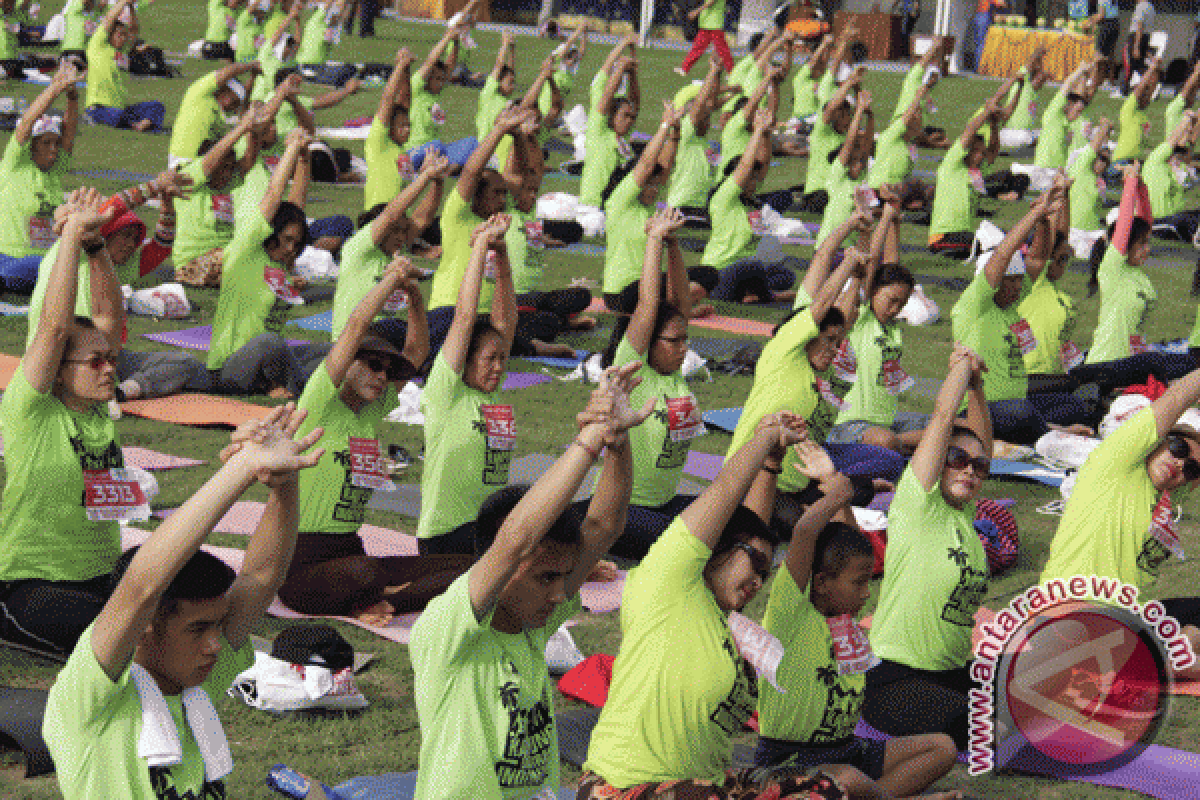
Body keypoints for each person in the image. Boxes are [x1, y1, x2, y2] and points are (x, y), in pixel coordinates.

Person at [43, 402, 325, 799]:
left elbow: (262, 576)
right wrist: (240, 469)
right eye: (197, 629)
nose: (215, 644)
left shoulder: (192, 683)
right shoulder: (92, 700)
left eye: (216, 625)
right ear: (145, 626)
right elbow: (142, 587)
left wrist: (284, 478)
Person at [410, 361, 649, 800]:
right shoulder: (448, 630)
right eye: (544, 577)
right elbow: (517, 539)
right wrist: (589, 440)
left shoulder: (531, 624)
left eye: (560, 578)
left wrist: (617, 440)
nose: (560, 594)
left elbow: (605, 527)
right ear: (502, 567)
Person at [579, 411, 846, 800]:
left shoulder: (721, 619)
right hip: (624, 789)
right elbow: (725, 493)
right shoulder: (668, 585)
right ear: (714, 548)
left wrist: (772, 464)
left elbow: (751, 527)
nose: (758, 580)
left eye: (765, 573)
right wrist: (766, 436)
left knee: (824, 787)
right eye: (753, 565)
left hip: (701, 785)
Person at [754, 438, 960, 800]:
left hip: (850, 749)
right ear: (821, 583)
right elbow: (804, 532)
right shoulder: (790, 616)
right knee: (846, 780)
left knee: (942, 748)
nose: (868, 593)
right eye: (859, 583)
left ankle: (876, 797)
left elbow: (850, 544)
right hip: (790, 761)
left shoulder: (845, 618)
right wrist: (836, 491)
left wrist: (834, 484)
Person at [278, 255, 474, 625]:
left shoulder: (370, 411)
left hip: (352, 550)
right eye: (372, 365)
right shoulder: (320, 404)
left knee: (470, 565)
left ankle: (385, 602)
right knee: (366, 574)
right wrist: (391, 280)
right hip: (302, 564)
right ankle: (380, 595)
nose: (382, 377)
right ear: (347, 362)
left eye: (387, 370)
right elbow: (354, 328)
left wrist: (415, 296)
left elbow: (415, 353)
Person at [0, 189, 127, 658]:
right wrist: (71, 235)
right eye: (95, 362)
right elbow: (54, 328)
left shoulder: (95, 409)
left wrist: (96, 249)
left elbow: (110, 317)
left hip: (99, 577)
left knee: (171, 597)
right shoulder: (31, 408)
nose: (109, 369)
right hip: (31, 586)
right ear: (57, 369)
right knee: (125, 633)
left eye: (109, 361)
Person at [860, 346, 991, 751]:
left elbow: (981, 445)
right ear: (937, 460)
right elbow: (940, 419)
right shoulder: (918, 504)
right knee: (983, 724)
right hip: (894, 678)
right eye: (955, 458)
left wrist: (978, 387)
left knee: (1021, 689)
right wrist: (962, 366)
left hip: (951, 672)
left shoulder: (963, 515)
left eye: (977, 466)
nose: (968, 468)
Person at [1041, 363, 1200, 677]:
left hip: (1125, 619)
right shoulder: (1117, 462)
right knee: (1190, 650)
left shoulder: (1165, 496)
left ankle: (1168, 655)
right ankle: (1166, 662)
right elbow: (1180, 395)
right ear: (1156, 438)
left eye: (1193, 469)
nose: (1180, 465)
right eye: (1178, 448)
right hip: (1074, 617)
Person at [25, 171, 214, 403]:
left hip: (104, 355)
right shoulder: (77, 248)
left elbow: (161, 246)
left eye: (134, 238)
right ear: (104, 232)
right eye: (124, 235)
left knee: (186, 364)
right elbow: (114, 207)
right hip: (61, 353)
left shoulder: (119, 265)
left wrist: (167, 203)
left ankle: (122, 392)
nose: (130, 244)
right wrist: (155, 185)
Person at [598, 208, 703, 559]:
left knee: (731, 515)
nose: (683, 348)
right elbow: (648, 305)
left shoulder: (673, 375)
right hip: (626, 511)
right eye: (674, 341)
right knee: (687, 543)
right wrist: (654, 239)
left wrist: (673, 245)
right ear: (648, 343)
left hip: (666, 503)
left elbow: (680, 306)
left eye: (683, 340)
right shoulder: (634, 369)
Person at [951, 191, 1092, 445]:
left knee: (1074, 405)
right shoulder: (975, 305)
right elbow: (1004, 254)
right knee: (1021, 413)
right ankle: (1053, 433)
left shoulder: (1011, 308)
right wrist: (1033, 214)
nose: (1019, 286)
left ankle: (1046, 430)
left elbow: (1038, 257)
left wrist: (1045, 220)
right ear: (993, 282)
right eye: (1011, 280)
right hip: (982, 410)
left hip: (1017, 405)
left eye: (1019, 280)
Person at [417, 214, 519, 555]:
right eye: (489, 359)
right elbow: (464, 317)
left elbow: (506, 320)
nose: (497, 367)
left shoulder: (494, 395)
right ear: (466, 360)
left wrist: (501, 255)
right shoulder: (448, 392)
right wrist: (479, 248)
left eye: (502, 360)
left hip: (486, 529)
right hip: (447, 536)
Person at [207, 128, 331, 397]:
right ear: (271, 232)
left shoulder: (280, 266)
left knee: (331, 349)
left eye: (296, 244)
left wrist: (304, 156)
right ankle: (296, 388)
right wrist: (291, 147)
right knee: (270, 342)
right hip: (231, 370)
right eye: (286, 240)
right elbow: (274, 195)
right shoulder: (246, 250)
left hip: (270, 359)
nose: (290, 249)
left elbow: (297, 201)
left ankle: (303, 384)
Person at [425, 105, 528, 354]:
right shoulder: (458, 214)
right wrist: (499, 130)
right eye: (496, 193)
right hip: (450, 310)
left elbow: (518, 174)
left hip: (487, 318)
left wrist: (518, 137)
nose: (503, 199)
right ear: (477, 196)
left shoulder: (499, 216)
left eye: (505, 194)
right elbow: (471, 171)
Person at [828, 205, 927, 456]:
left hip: (888, 423)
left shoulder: (892, 328)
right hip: (849, 425)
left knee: (951, 428)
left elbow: (892, 266)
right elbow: (872, 265)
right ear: (873, 291)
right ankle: (899, 446)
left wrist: (895, 222)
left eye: (902, 305)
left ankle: (899, 444)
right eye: (891, 301)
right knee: (886, 442)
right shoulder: (860, 318)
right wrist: (883, 220)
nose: (895, 309)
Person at [333, 151, 448, 345]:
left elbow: (423, 218)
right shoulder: (358, 249)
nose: (402, 236)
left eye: (404, 231)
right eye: (395, 230)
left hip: (385, 336)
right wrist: (425, 176)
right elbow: (392, 215)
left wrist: (438, 180)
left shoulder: (393, 253)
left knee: (445, 316)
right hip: (353, 340)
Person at [702, 108, 799, 305]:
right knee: (751, 265)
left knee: (785, 274)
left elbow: (762, 164)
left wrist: (766, 133)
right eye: (749, 178)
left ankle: (750, 294)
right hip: (719, 273)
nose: (754, 182)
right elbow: (745, 167)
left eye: (755, 179)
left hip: (747, 273)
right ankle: (768, 296)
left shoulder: (750, 201)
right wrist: (756, 131)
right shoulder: (723, 198)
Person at [0, 62, 79, 293]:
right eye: (46, 143)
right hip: (5, 255)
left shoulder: (55, 171)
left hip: (42, 263)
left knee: (46, 267)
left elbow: (69, 132)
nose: (54, 149)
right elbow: (27, 123)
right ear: (31, 147)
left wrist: (72, 96)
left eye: (55, 143)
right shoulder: (15, 165)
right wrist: (55, 89)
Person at [172, 105, 262, 288]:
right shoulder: (189, 179)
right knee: (239, 260)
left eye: (230, 167)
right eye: (223, 167)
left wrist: (254, 130)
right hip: (192, 264)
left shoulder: (228, 183)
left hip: (225, 256)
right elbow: (211, 160)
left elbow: (249, 160)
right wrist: (243, 127)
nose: (227, 173)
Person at [579, 33, 639, 209]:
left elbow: (634, 102)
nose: (629, 122)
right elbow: (606, 95)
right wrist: (622, 53)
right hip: (592, 208)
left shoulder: (622, 139)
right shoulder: (599, 130)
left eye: (631, 118)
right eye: (625, 117)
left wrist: (632, 70)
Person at [85, 0, 164, 132]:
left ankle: (138, 124)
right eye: (120, 34)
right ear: (109, 35)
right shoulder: (98, 46)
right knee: (116, 116)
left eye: (124, 35)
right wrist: (123, 1)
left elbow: (133, 29)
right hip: (99, 108)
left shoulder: (123, 52)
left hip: (120, 109)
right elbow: (109, 19)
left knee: (157, 106)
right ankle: (140, 124)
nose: (123, 38)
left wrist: (131, 6)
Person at [408, 25, 479, 169]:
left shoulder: (437, 94)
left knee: (472, 143)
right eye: (437, 79)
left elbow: (450, 65)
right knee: (437, 145)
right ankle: (441, 167)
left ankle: (443, 168)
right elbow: (430, 61)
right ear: (428, 78)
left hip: (435, 151)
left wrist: (456, 42)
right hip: (414, 151)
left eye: (442, 79)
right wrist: (447, 38)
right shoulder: (416, 89)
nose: (441, 83)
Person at [167, 61, 260, 166]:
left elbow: (244, 109)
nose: (234, 107)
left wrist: (253, 76)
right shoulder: (199, 93)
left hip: (207, 164)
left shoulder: (226, 115)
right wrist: (253, 65)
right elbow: (225, 73)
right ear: (223, 89)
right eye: (234, 101)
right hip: (183, 159)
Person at [667, 54, 723, 223]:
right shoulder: (685, 132)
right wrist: (712, 71)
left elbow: (709, 103)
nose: (707, 121)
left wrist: (718, 74)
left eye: (707, 118)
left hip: (701, 205)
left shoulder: (705, 143)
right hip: (682, 206)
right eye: (703, 118)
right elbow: (699, 104)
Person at [1145, 112, 1200, 242]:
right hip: (1160, 221)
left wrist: (1196, 123)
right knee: (1188, 220)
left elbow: (1189, 145)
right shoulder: (1155, 159)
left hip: (1176, 218)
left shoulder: (1178, 167)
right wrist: (1186, 121)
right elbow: (1173, 140)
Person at [1112, 55, 1161, 163]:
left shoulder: (1142, 115)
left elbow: (1151, 87)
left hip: (1134, 161)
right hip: (1121, 160)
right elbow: (1141, 88)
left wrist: (1157, 69)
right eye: (1145, 95)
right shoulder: (1128, 108)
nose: (1148, 97)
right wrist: (1152, 68)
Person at [475, 29, 515, 143]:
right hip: (483, 145)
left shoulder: (504, 99)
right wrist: (505, 44)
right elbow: (499, 66)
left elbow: (510, 72)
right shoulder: (489, 93)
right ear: (498, 81)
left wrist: (512, 50)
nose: (512, 86)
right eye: (510, 83)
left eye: (513, 83)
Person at [677, 0, 732, 75]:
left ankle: (731, 73)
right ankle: (684, 69)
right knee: (697, 48)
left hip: (715, 24)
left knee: (723, 51)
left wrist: (696, 11)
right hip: (706, 24)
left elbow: (710, 2)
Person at [1122, 0, 1156, 95]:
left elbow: (1139, 25)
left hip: (1137, 37)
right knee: (1141, 66)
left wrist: (1136, 46)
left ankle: (1124, 91)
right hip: (1146, 37)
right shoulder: (1151, 7)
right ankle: (1148, 88)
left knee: (1129, 64)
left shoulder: (1140, 6)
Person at [971, 0, 1005, 72]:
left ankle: (978, 66)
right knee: (982, 43)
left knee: (979, 43)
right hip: (983, 15)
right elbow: (1000, 3)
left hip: (980, 15)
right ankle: (979, 67)